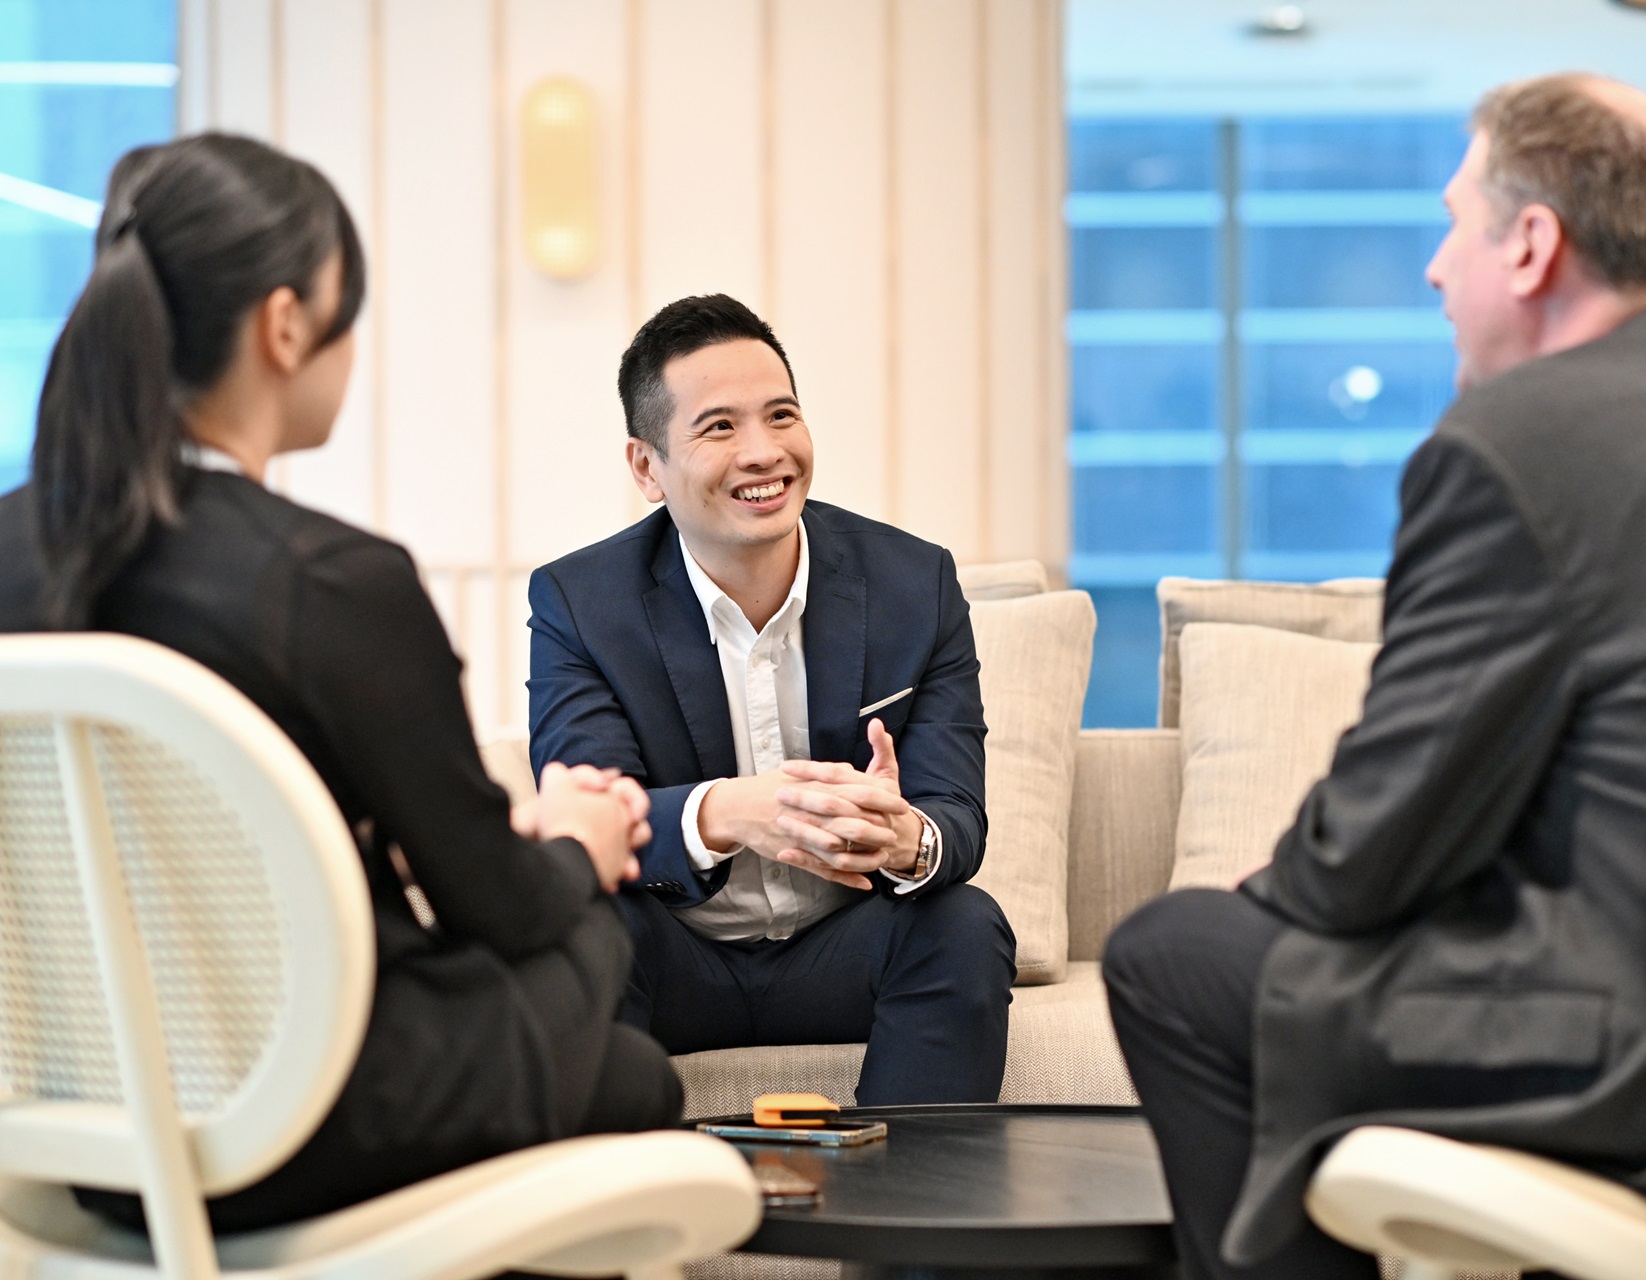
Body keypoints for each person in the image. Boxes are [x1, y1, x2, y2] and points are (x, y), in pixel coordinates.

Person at [1101, 73, 1646, 1280]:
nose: (1435, 269)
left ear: (1532, 243)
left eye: (1454, 222)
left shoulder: (1513, 442)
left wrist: (1269, 887)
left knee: (1172, 953)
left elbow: (1373, 848)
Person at [0, 134, 681, 1233]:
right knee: (604, 963)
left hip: (100, 1128)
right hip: (308, 1115)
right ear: (285, 326)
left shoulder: (13, 548)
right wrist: (574, 838)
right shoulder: (331, 581)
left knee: (612, 1059)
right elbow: (499, 909)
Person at [527, 294, 1016, 1104]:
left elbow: (956, 819)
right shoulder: (582, 602)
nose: (764, 452)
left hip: (845, 946)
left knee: (964, 925)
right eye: (719, 427)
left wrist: (905, 839)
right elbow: (586, 823)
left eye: (781, 415)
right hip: (673, 955)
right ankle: (627, 1223)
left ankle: (917, 1218)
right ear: (647, 467)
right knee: (581, 933)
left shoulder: (913, 583)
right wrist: (734, 811)